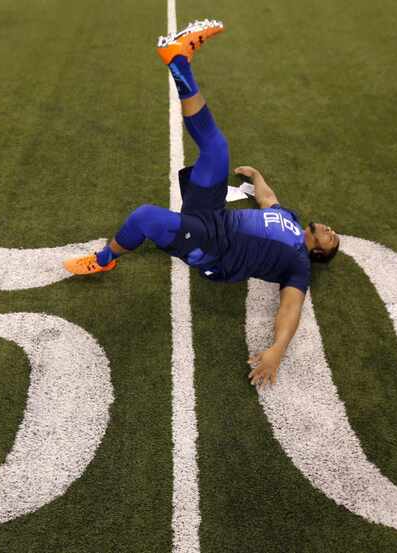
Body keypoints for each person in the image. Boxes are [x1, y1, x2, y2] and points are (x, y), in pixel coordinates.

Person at [64, 19, 340, 387]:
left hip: (214, 251)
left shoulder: (298, 265)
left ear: (319, 253)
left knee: (145, 217)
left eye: (332, 240)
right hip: (213, 217)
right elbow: (269, 201)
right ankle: (178, 61)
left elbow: (291, 309)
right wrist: (257, 179)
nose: (331, 232)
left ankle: (102, 261)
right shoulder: (289, 218)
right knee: (217, 148)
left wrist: (276, 350)